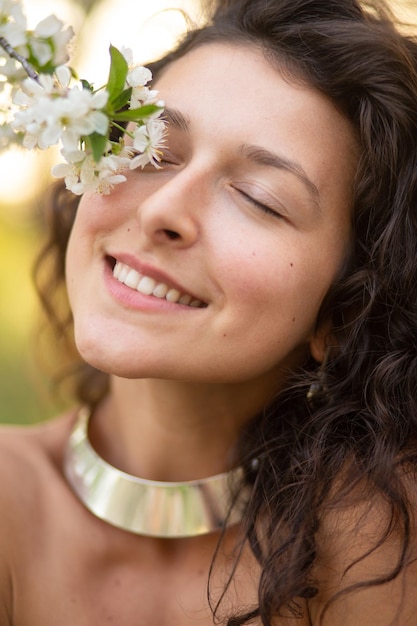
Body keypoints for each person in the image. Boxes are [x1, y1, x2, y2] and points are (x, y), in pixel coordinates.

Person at [1, 0, 417, 623]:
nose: (162, 210)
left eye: (258, 199)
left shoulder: (384, 549)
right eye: (154, 150)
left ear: (344, 309)